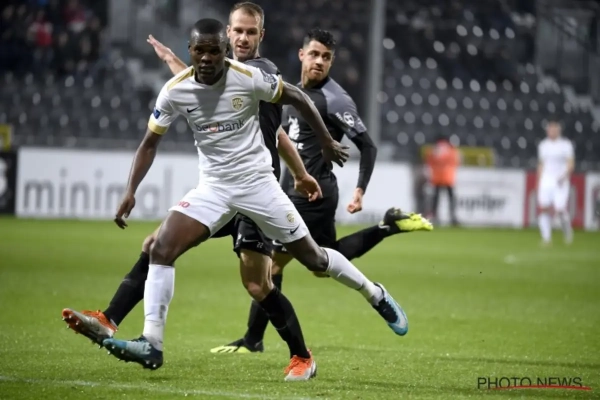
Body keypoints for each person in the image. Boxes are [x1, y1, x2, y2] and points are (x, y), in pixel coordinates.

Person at [95, 18, 409, 382]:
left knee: (312, 260)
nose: (208, 57)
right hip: (214, 189)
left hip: (259, 186)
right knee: (160, 247)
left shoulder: (253, 76)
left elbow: (292, 107)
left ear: (231, 47)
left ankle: (373, 294)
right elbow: (154, 137)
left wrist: (322, 145)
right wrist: (130, 189)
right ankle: (150, 340)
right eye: (201, 50)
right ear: (195, 49)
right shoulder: (178, 88)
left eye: (216, 50)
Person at [210, 28, 433, 354]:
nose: (319, 61)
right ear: (302, 55)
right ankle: (387, 226)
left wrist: (360, 189)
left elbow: (367, 145)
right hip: (296, 190)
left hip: (312, 195)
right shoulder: (290, 91)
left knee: (272, 265)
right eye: (314, 54)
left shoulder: (335, 99)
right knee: (323, 261)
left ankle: (253, 340)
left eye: (326, 57)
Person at [537, 120, 574, 245]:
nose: (551, 131)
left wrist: (565, 176)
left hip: (560, 180)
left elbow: (570, 163)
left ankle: (567, 233)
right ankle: (546, 238)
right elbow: (541, 164)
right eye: (550, 129)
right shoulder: (543, 145)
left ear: (559, 130)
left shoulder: (566, 145)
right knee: (544, 208)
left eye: (554, 129)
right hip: (546, 180)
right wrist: (539, 181)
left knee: (560, 209)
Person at [426, 134, 460, 226]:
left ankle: (434, 217)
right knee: (451, 198)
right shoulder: (451, 149)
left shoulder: (435, 149)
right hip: (448, 178)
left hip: (437, 178)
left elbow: (429, 161)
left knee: (436, 199)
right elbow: (456, 161)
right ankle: (453, 217)